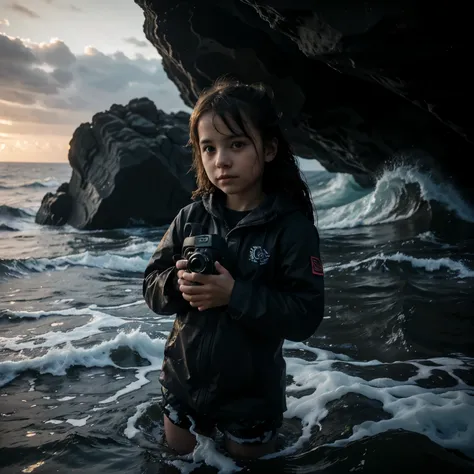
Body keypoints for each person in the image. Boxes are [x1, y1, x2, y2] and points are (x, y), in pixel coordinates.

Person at [143, 78, 325, 459]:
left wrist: (234, 295)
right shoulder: (190, 217)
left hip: (251, 401)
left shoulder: (291, 228)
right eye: (208, 148)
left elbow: (305, 315)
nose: (220, 160)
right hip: (182, 385)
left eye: (236, 145)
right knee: (176, 466)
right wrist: (178, 285)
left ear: (270, 148)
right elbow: (151, 285)